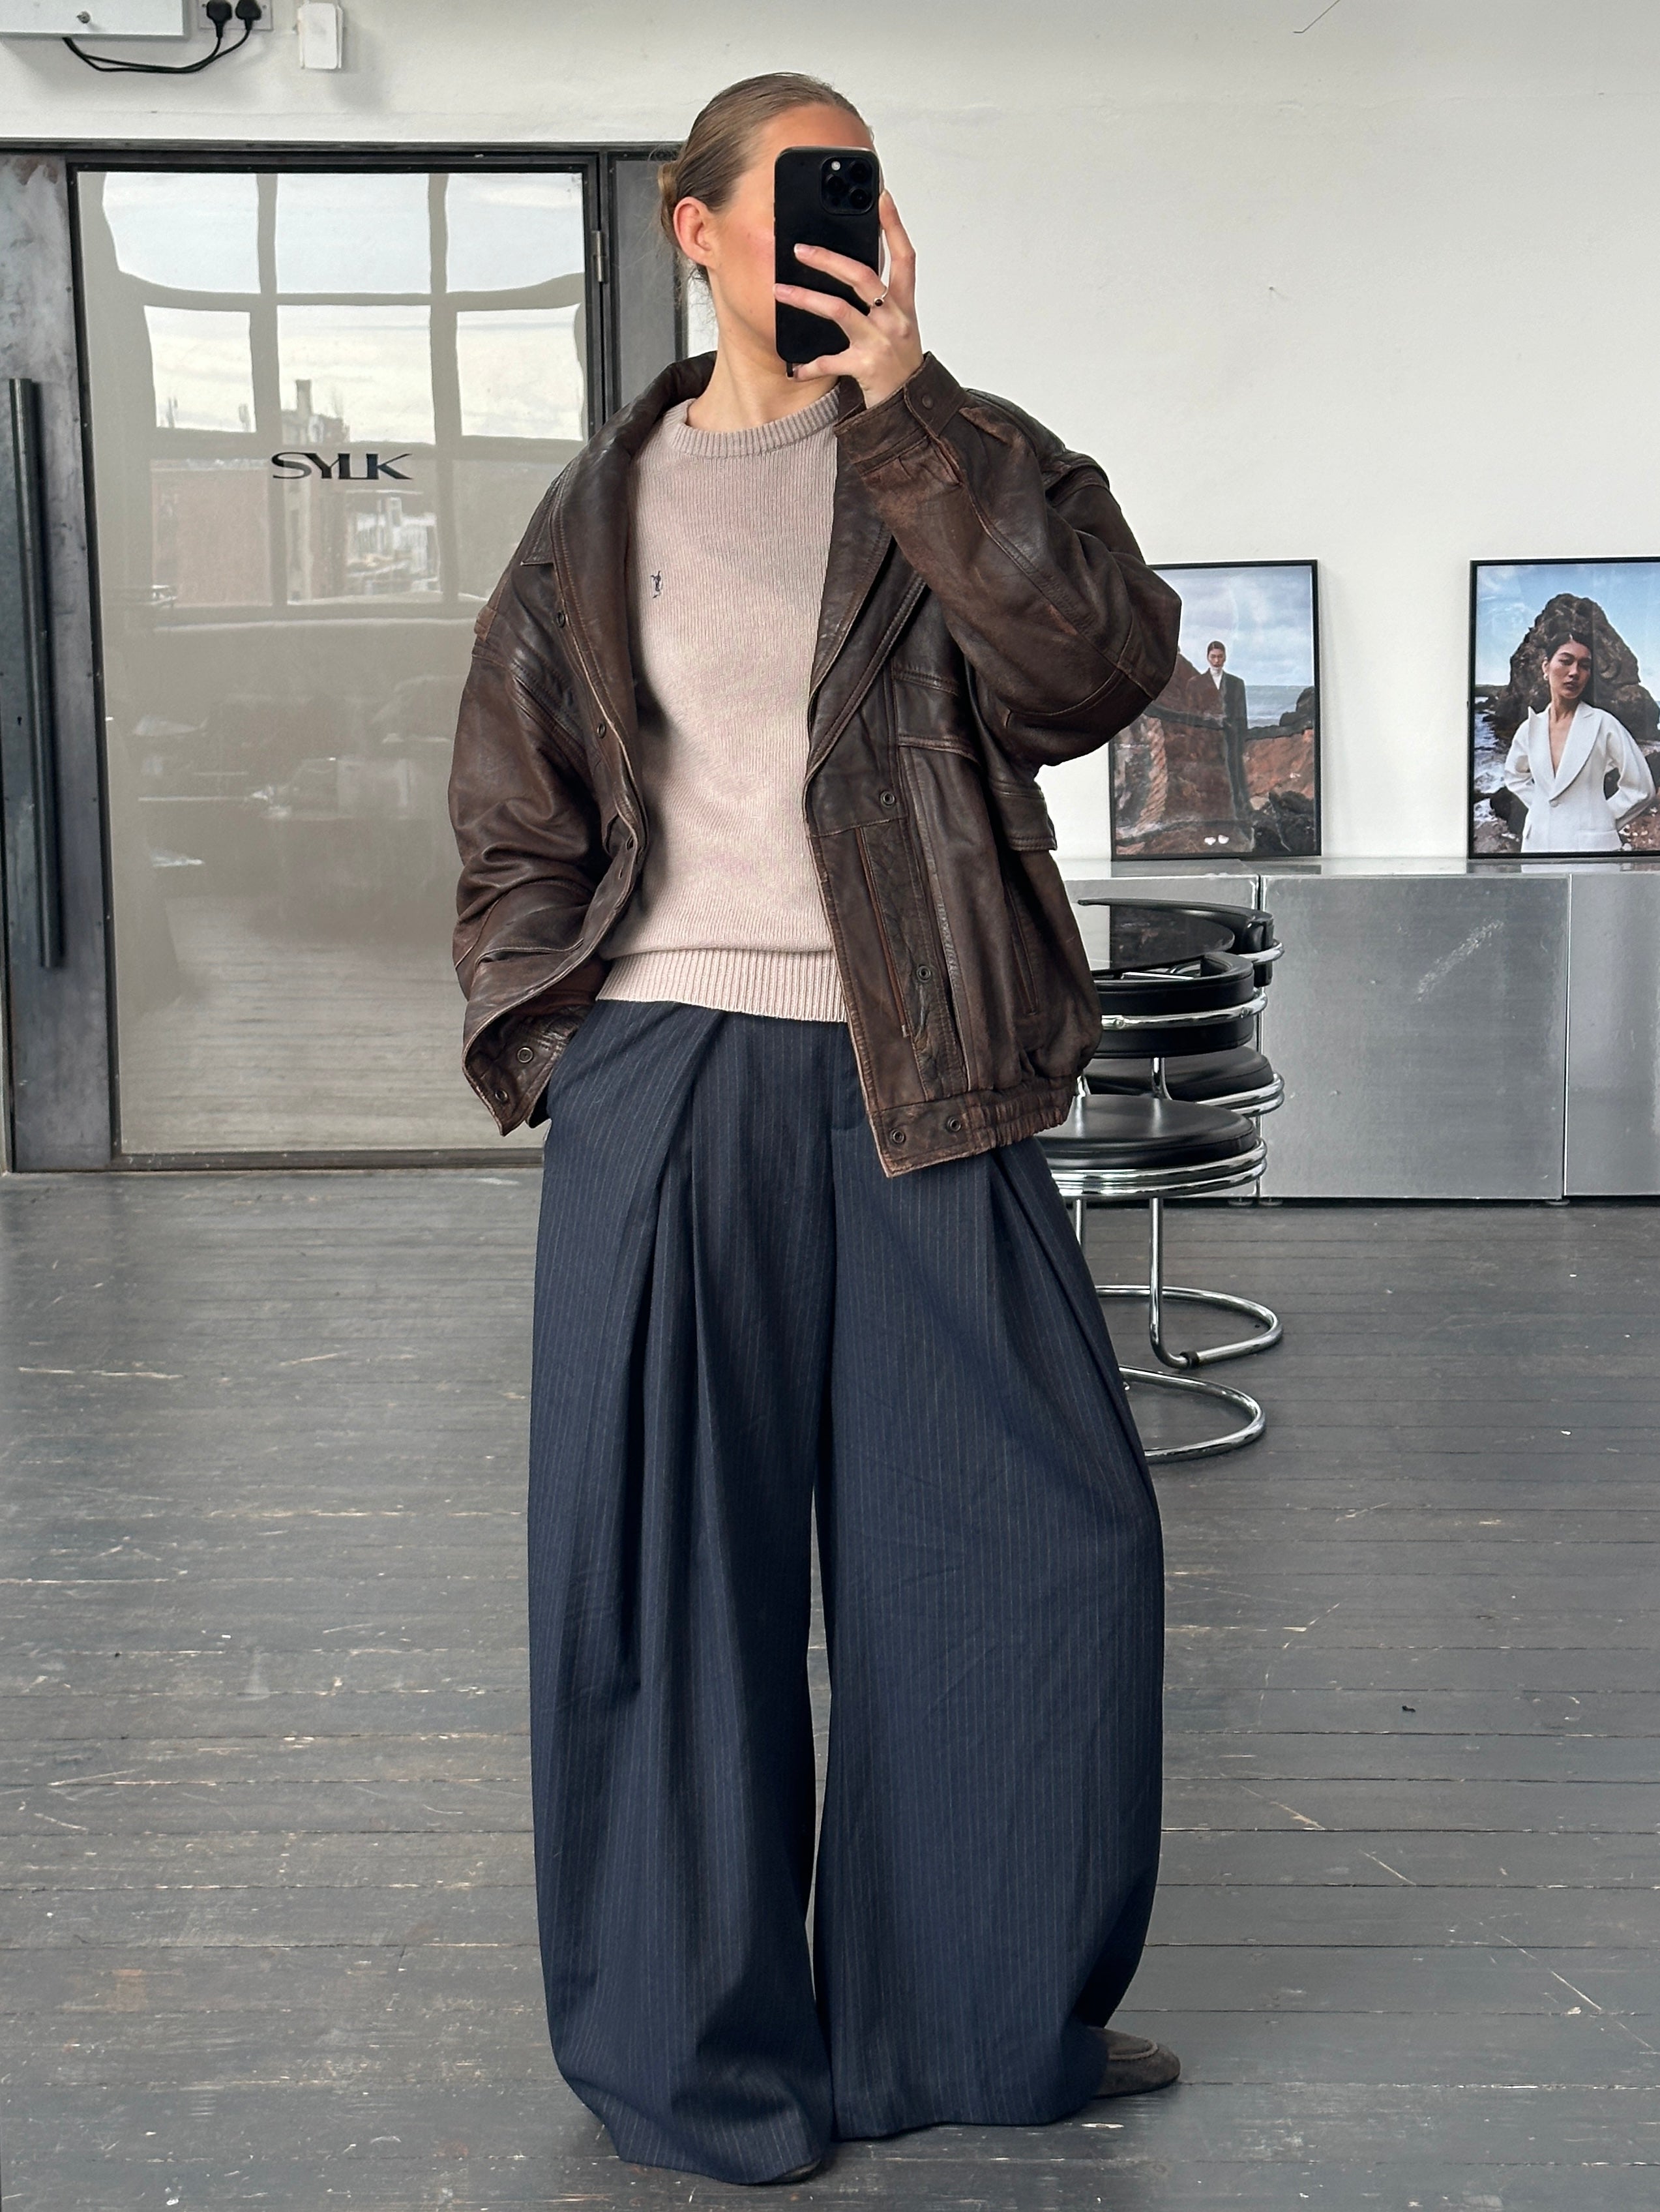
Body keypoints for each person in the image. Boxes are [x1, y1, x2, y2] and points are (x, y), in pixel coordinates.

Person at [449, 71, 1182, 2188]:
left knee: (1027, 1556)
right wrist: (567, 1041)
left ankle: (972, 2020)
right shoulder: (595, 512)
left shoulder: (956, 453)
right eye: (796, 193)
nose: (836, 228)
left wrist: (910, 404)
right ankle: (695, 2060)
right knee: (662, 1583)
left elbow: (1093, 670)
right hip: (668, 1081)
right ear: (695, 231)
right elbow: (512, 802)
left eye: (859, 191)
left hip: (922, 1068)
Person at [1502, 628, 1654, 853]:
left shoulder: (1603, 724)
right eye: (1566, 661)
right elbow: (1514, 775)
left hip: (1592, 849)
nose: (1574, 672)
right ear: (1546, 667)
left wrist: (1602, 818)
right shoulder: (1530, 728)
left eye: (1584, 666)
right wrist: (1541, 806)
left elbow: (1641, 787)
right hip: (1538, 846)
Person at [1206, 638, 1252, 827]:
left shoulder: (1236, 683)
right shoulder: (1198, 683)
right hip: (1208, 738)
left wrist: (1243, 741)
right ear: (1208, 658)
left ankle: (1241, 811)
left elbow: (1242, 715)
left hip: (1231, 737)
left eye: (1220, 657)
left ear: (1225, 658)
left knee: (1236, 774)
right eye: (1213, 657)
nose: (1217, 661)